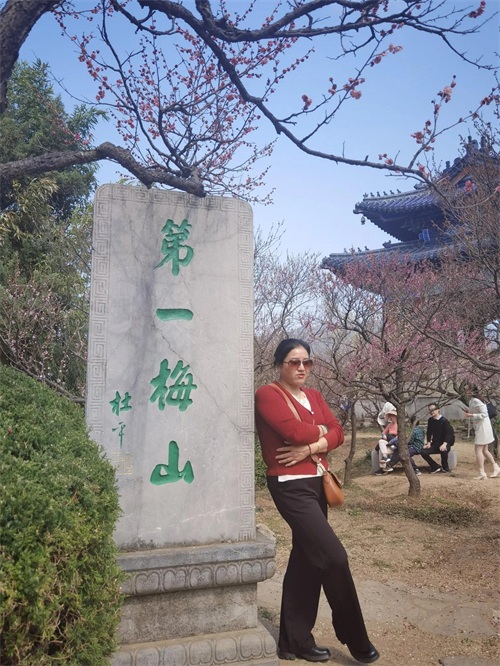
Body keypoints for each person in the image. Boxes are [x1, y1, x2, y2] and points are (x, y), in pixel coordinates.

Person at [255, 339, 380, 664]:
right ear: (279, 364)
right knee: (334, 557)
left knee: (307, 559)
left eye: (306, 362)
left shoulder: (314, 396)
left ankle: (293, 641)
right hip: (289, 486)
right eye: (293, 362)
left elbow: (338, 433)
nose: (301, 368)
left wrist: (312, 447)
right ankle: (355, 637)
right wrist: (321, 432)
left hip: (317, 481)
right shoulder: (268, 394)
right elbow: (295, 432)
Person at [462, 392, 500, 480]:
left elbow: (484, 414)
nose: (466, 392)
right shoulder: (473, 400)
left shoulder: (476, 400)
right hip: (481, 426)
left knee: (478, 450)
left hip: (482, 427)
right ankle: (495, 467)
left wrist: (471, 415)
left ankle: (482, 472)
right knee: (485, 450)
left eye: (467, 390)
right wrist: (470, 413)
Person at [421, 404, 454, 473]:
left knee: (443, 450)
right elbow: (429, 432)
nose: (431, 411)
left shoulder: (444, 421)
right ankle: (435, 466)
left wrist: (444, 444)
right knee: (423, 451)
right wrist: (428, 443)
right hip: (435, 444)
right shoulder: (430, 420)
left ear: (438, 410)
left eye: (433, 410)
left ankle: (445, 468)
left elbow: (449, 434)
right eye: (430, 410)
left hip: (444, 443)